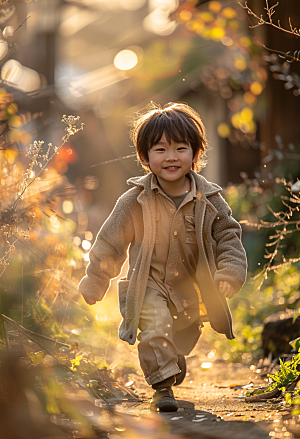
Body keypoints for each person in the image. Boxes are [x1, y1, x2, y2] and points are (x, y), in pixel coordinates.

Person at [79, 101, 247, 412]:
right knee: (154, 326)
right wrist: (96, 279)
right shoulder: (134, 201)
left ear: (195, 154)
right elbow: (110, 241)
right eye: (160, 149)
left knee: (178, 337)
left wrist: (229, 272)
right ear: (145, 157)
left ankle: (170, 362)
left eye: (180, 148)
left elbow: (228, 236)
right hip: (148, 283)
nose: (171, 156)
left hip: (191, 289)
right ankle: (162, 388)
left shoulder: (209, 199)